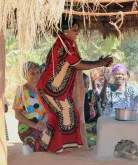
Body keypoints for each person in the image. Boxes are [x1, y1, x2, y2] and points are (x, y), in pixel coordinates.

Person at [35, 16, 113, 154]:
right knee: (68, 113)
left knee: (57, 116)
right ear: (64, 31)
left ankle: (44, 148)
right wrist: (99, 63)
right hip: (52, 89)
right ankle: (57, 148)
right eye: (74, 30)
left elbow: (77, 63)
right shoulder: (64, 44)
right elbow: (78, 64)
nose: (77, 33)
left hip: (52, 88)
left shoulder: (66, 43)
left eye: (77, 30)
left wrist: (98, 62)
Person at [13, 61, 47, 152]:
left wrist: (43, 121)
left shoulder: (44, 90)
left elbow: (48, 110)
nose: (36, 75)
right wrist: (34, 126)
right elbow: (17, 115)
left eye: (38, 73)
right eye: (32, 73)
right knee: (29, 156)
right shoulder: (20, 91)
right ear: (25, 75)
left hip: (43, 127)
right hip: (27, 129)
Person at [83, 73, 101, 147]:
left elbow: (100, 114)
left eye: (86, 85)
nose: (85, 87)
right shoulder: (70, 99)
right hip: (78, 130)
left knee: (95, 144)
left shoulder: (92, 95)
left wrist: (98, 124)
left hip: (92, 128)